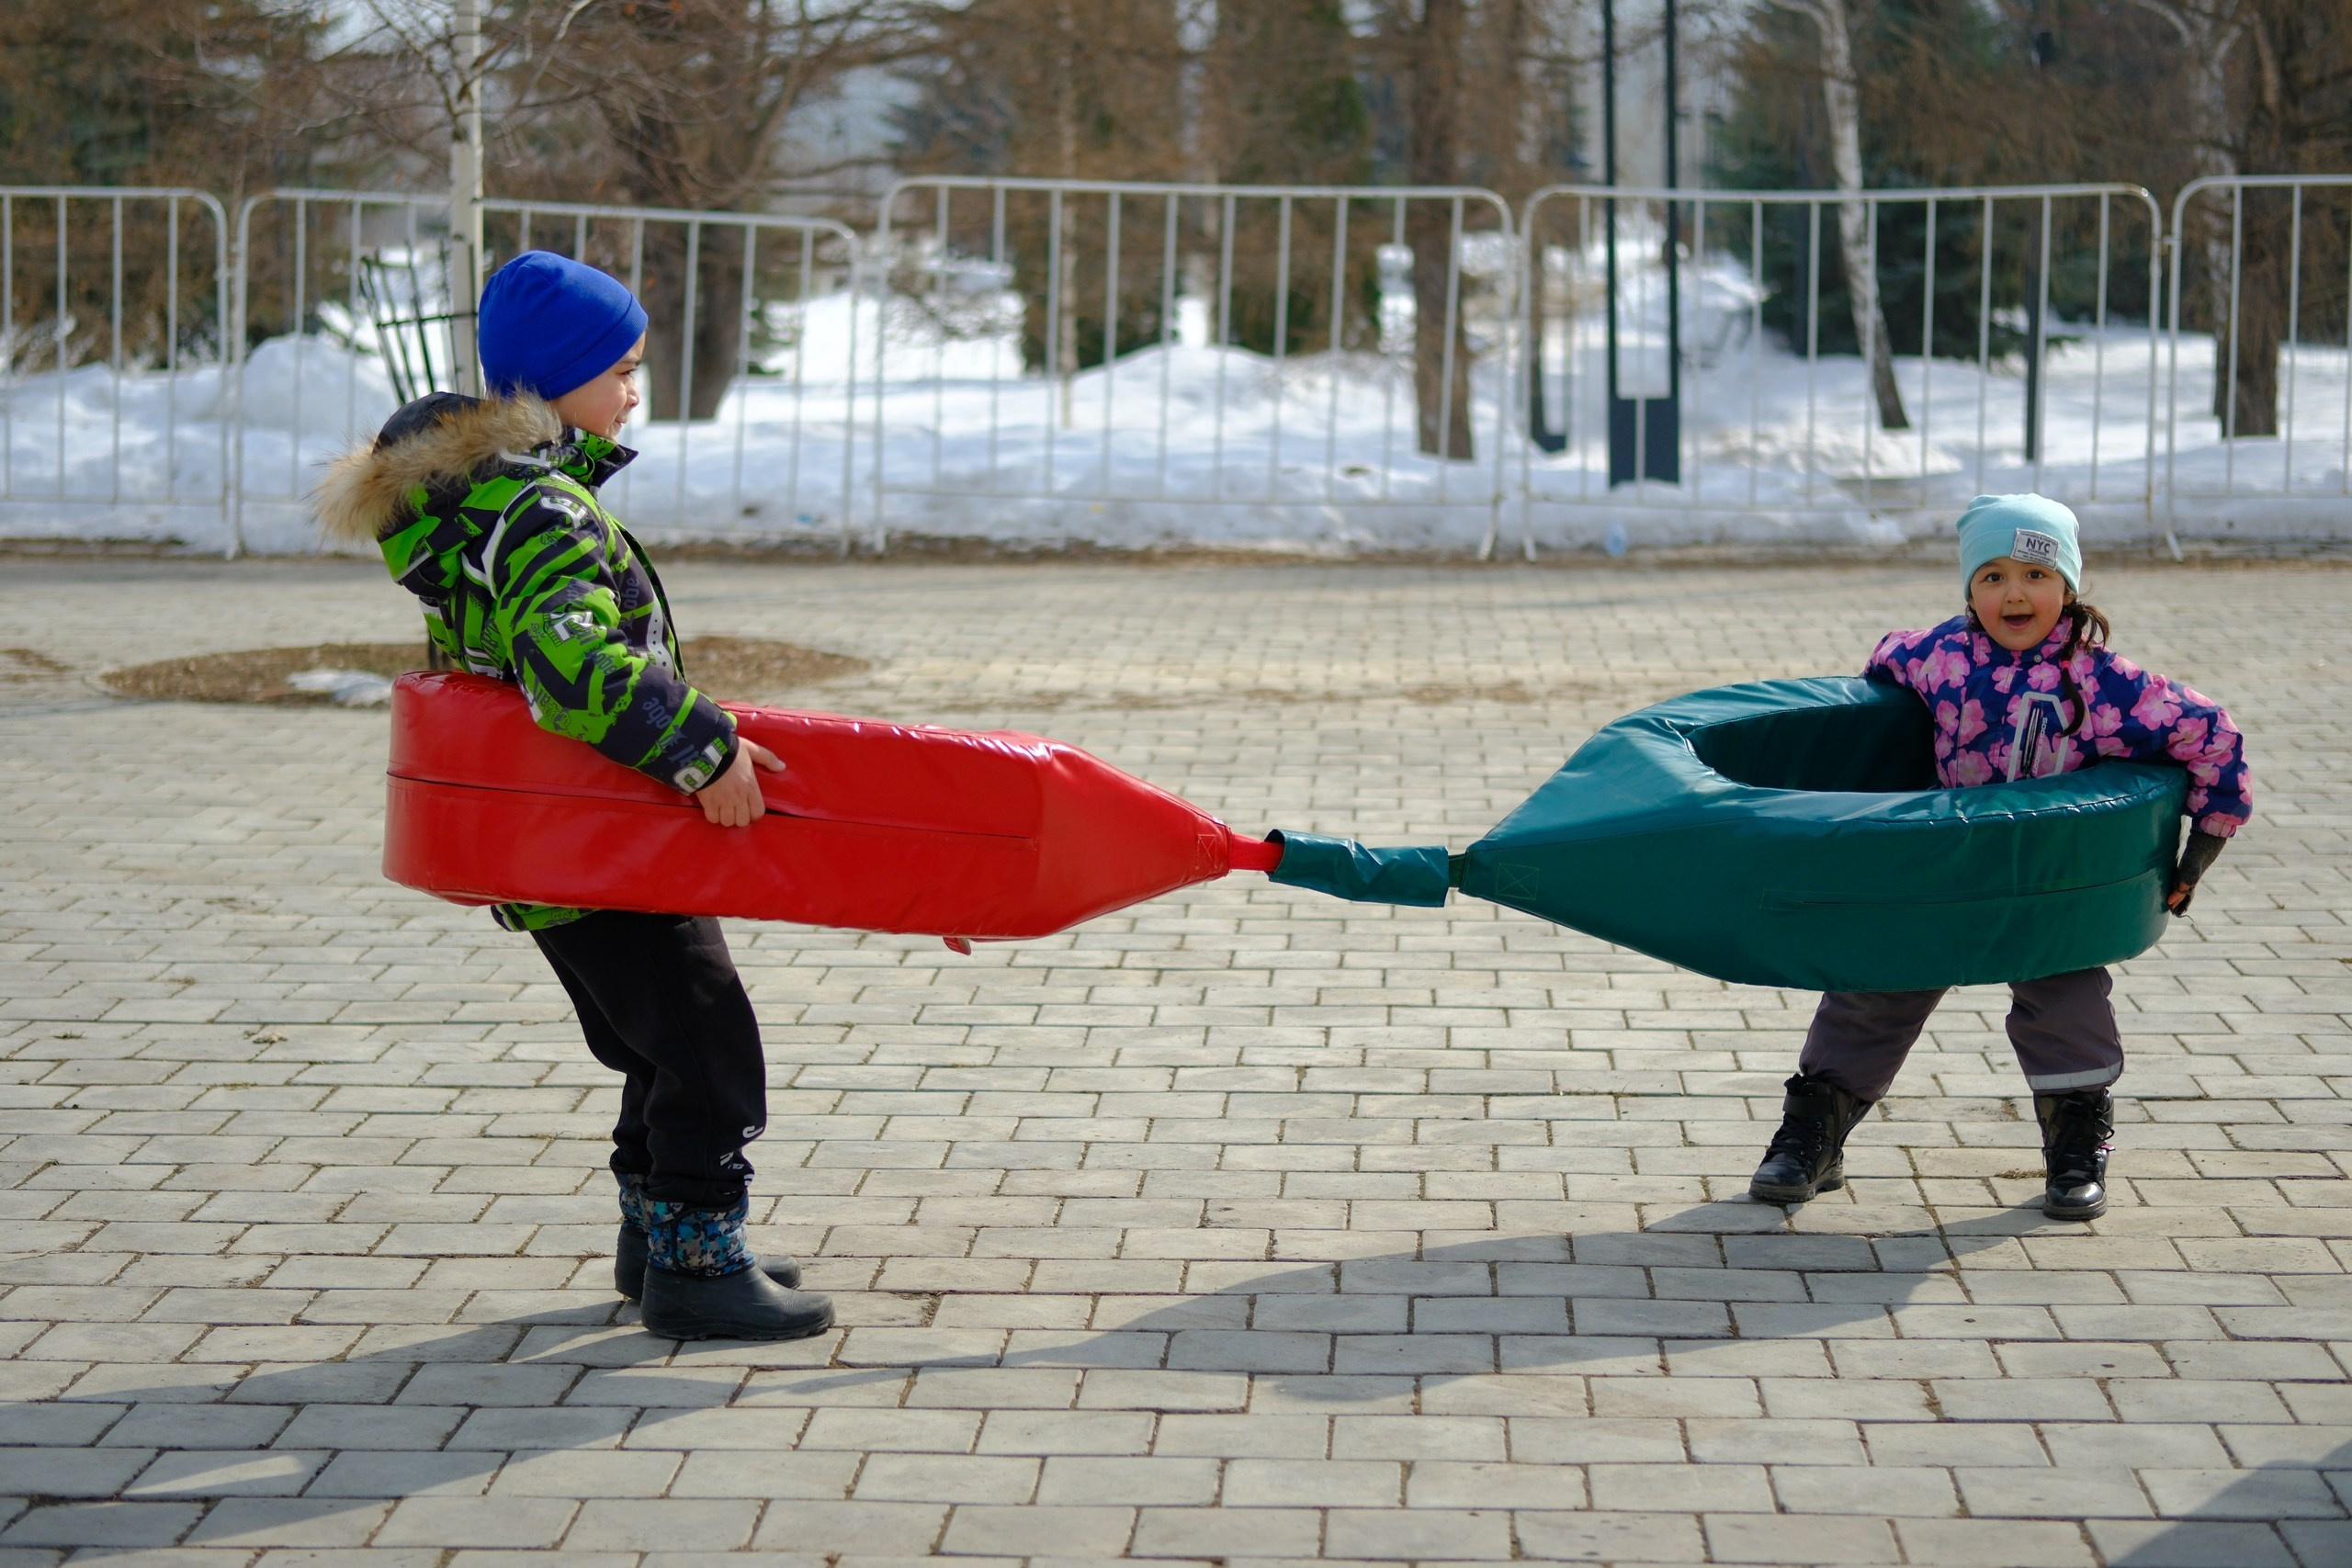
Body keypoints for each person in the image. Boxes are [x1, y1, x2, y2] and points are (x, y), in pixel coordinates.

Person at [316, 251, 833, 1339]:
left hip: (556, 842)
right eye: (623, 368)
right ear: (556, 382)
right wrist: (700, 747)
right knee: (704, 1045)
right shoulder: (539, 509)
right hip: (606, 835)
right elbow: (570, 664)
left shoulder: (481, 503)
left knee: (655, 1043)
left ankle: (657, 1240)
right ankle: (695, 1261)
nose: (635, 389)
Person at [1748, 494, 2251, 1221]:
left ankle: (2076, 1141)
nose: (2014, 592)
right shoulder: (1938, 658)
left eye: (2035, 574)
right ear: (1969, 592)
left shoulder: (2107, 683)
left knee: (2066, 995)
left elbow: (2214, 737)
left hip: (2049, 878)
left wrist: (2199, 849)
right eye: (1991, 576)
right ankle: (1813, 1133)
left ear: (2069, 588)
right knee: (1877, 982)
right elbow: (1883, 667)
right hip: (1945, 870)